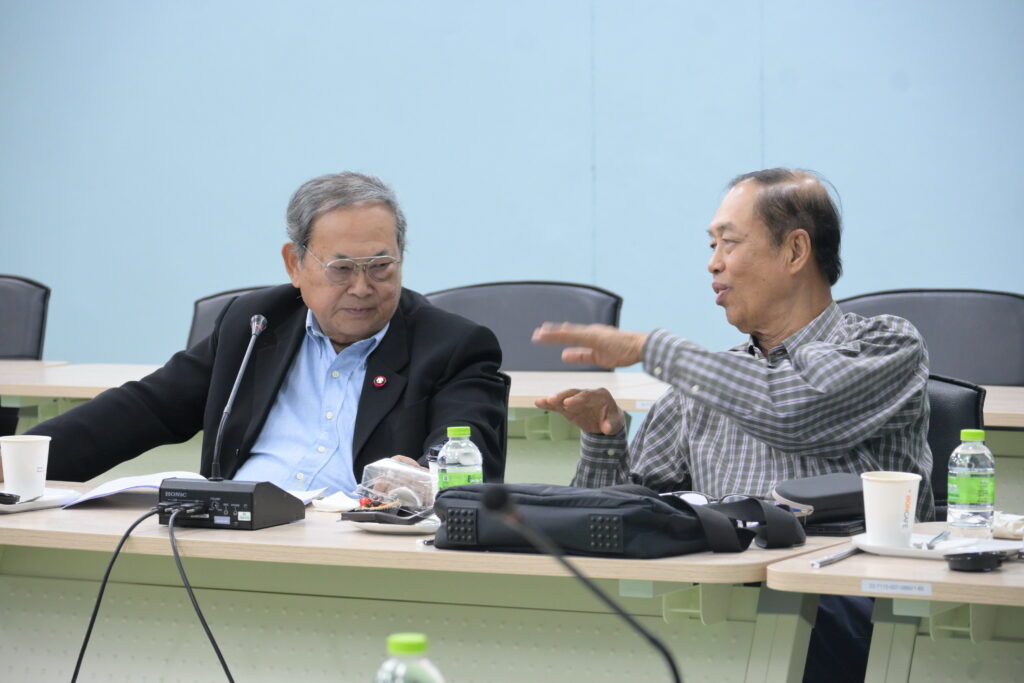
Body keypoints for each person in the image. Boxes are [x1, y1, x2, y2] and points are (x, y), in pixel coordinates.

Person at [533, 168, 932, 683]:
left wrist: (647, 348)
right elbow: (621, 521)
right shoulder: (706, 381)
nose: (713, 263)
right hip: (721, 607)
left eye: (729, 242)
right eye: (711, 245)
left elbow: (792, 410)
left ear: (795, 251)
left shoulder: (886, 344)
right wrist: (604, 440)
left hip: (846, 604)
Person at [19, 172, 508, 493]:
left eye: (381, 266)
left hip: (355, 548)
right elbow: (148, 407)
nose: (362, 287)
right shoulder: (255, 324)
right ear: (295, 264)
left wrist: (420, 479)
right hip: (235, 536)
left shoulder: (453, 346)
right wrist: (20, 461)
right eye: (341, 269)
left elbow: (467, 455)